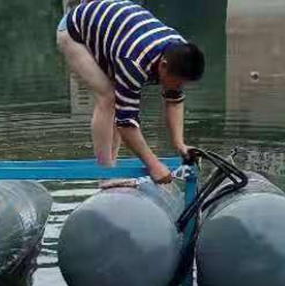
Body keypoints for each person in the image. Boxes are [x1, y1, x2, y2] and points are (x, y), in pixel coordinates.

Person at [56, 0, 205, 184]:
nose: (179, 87)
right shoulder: (134, 62)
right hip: (74, 31)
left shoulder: (180, 51)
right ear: (163, 66)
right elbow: (126, 124)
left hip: (116, 32)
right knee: (109, 98)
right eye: (178, 82)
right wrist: (153, 165)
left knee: (119, 100)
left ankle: (112, 168)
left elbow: (174, 100)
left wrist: (179, 144)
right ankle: (106, 175)